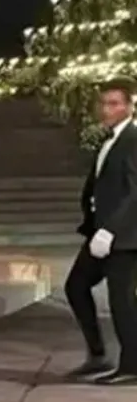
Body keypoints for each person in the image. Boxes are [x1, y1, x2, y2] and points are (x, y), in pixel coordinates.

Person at [64, 78, 137, 384]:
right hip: (100, 234)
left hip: (124, 236)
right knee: (76, 286)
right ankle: (97, 355)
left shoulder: (133, 139)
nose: (106, 109)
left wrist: (110, 230)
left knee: (122, 301)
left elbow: (134, 192)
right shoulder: (111, 138)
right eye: (103, 103)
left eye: (114, 103)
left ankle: (132, 366)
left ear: (130, 105)